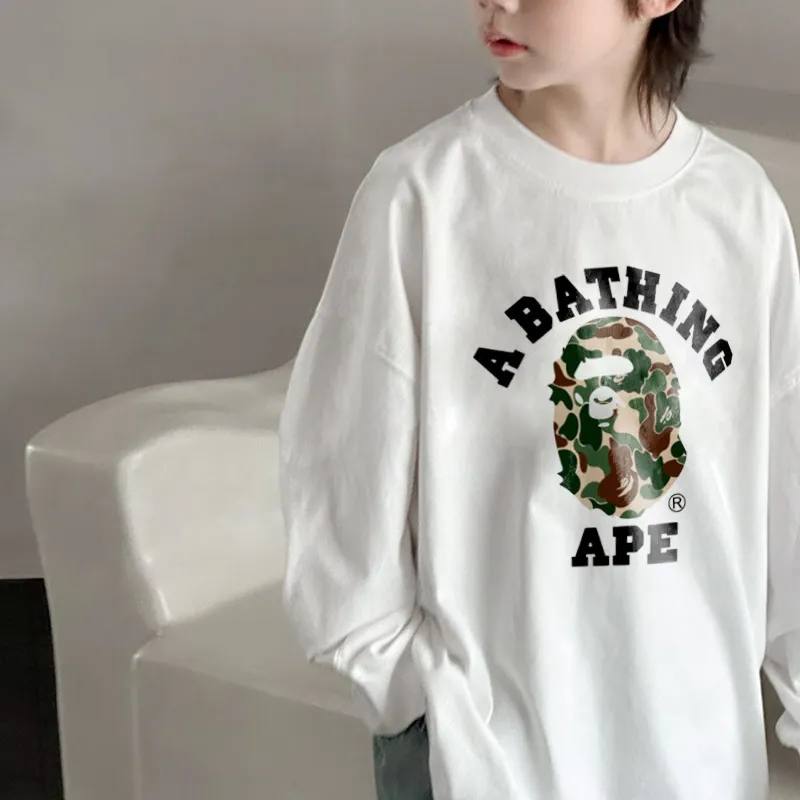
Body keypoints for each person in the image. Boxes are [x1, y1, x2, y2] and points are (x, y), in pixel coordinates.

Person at [277, 0, 800, 797]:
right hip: (481, 766)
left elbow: (788, 489)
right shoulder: (424, 195)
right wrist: (417, 699)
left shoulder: (738, 207)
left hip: (702, 763)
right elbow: (338, 472)